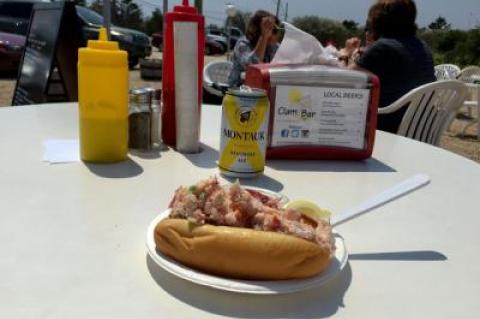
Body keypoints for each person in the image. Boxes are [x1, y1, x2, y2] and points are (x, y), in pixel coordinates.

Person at [345, 0, 435, 133]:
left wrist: (346, 55)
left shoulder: (383, 47)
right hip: (419, 129)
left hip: (388, 128)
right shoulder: (423, 47)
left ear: (378, 20)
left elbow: (344, 80)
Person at [228, 11, 281, 87]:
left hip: (264, 90)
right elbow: (253, 66)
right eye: (267, 28)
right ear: (257, 30)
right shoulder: (243, 44)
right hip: (239, 90)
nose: (272, 34)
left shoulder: (275, 47)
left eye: (274, 30)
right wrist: (264, 37)